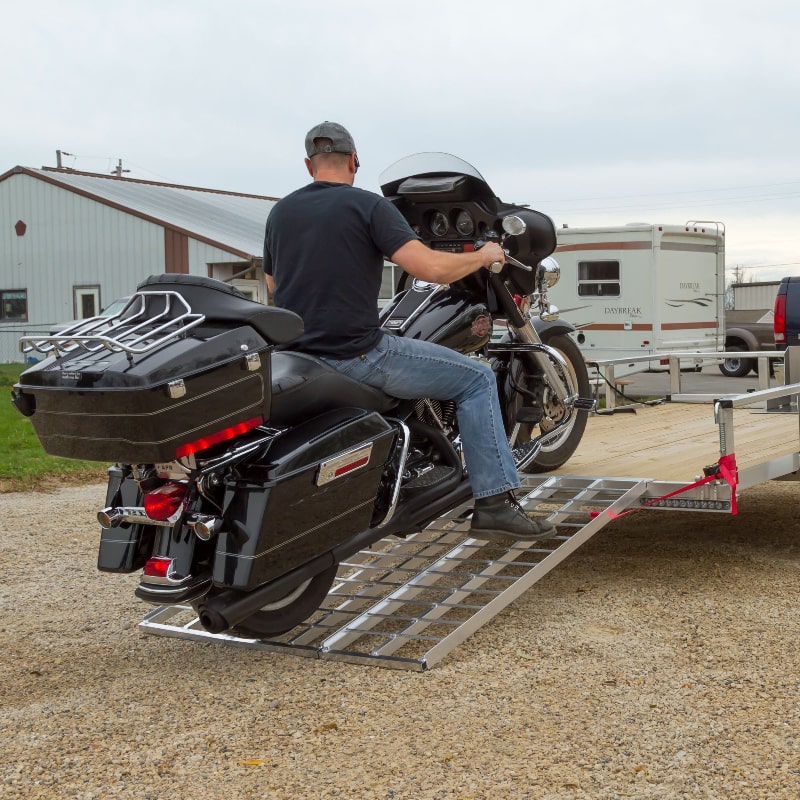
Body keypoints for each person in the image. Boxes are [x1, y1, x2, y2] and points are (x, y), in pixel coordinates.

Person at [263, 121, 554, 541]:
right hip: (356, 355)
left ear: (309, 165)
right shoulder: (368, 207)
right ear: (353, 161)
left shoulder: (282, 212)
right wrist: (481, 254)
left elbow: (275, 285)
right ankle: (495, 503)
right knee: (477, 378)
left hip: (298, 356)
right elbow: (430, 268)